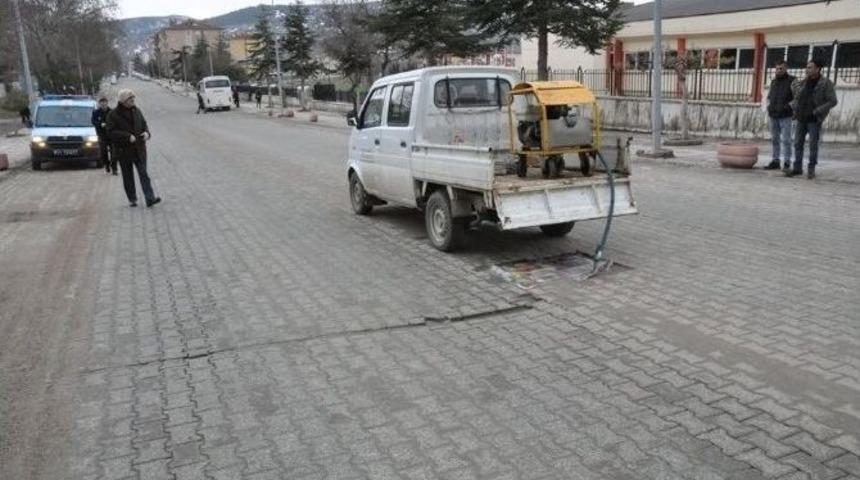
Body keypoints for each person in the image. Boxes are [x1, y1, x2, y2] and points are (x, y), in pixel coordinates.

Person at [107, 89, 161, 208]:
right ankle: (132, 199)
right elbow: (111, 132)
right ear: (123, 101)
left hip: (139, 149)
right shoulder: (113, 114)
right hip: (123, 151)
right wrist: (127, 137)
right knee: (128, 176)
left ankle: (150, 198)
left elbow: (144, 124)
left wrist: (147, 133)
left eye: (133, 98)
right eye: (130, 98)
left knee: (144, 174)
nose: (133, 100)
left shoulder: (137, 110)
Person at [787, 59, 838, 180]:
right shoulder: (804, 82)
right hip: (801, 118)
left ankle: (811, 169)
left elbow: (833, 101)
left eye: (810, 67)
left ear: (817, 69)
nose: (807, 69)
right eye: (807, 67)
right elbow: (798, 98)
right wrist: (794, 107)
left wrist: (817, 111)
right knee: (797, 143)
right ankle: (797, 168)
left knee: (813, 145)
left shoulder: (825, 83)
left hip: (814, 119)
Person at [764, 61, 794, 171]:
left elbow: (797, 98)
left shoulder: (793, 81)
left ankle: (787, 162)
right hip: (773, 115)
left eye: (781, 68)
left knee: (786, 140)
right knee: (774, 139)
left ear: (786, 69)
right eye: (776, 68)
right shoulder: (773, 82)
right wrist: (768, 106)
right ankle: (776, 161)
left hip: (786, 116)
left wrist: (788, 107)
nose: (778, 71)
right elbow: (769, 97)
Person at [91, 96, 116, 174]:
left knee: (114, 152)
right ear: (99, 104)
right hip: (102, 135)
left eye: (104, 103)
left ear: (107, 103)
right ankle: (107, 165)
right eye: (102, 103)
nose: (103, 105)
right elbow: (93, 121)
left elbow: (116, 122)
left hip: (111, 135)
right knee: (103, 151)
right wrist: (100, 124)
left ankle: (114, 168)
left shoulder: (112, 111)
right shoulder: (96, 112)